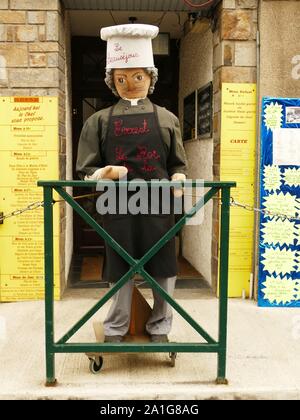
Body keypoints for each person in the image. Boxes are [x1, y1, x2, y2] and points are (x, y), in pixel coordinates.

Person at [76, 24, 188, 343]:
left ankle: (160, 327)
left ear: (150, 78)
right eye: (121, 78)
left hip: (158, 207)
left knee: (164, 270)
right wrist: (104, 173)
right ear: (112, 81)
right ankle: (115, 327)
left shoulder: (167, 119)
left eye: (137, 76)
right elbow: (85, 170)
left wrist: (179, 179)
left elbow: (178, 164)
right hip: (117, 208)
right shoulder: (97, 121)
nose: (130, 84)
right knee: (120, 270)